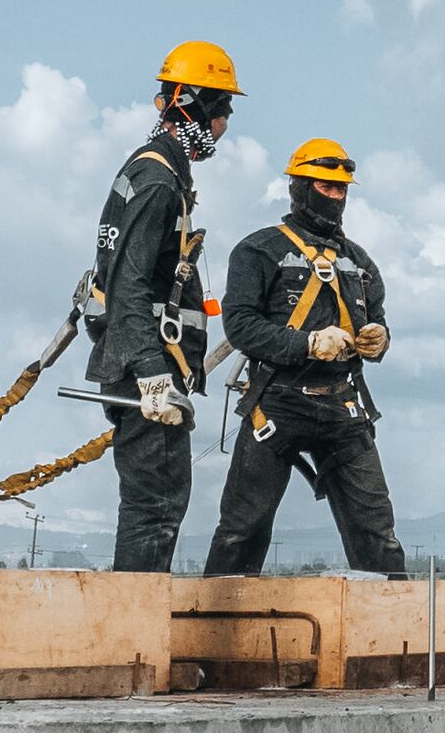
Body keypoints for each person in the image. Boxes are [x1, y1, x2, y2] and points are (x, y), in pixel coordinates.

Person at [205, 138, 405, 577]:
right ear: (300, 186)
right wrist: (307, 344)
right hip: (278, 403)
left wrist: (379, 337)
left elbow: (380, 316)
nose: (335, 197)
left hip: (343, 406)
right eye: (326, 187)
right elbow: (239, 325)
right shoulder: (259, 251)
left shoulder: (359, 262)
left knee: (378, 534)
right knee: (242, 528)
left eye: (341, 190)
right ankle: (208, 634)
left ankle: (395, 633)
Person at [90, 39, 238, 571]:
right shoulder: (157, 181)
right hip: (146, 369)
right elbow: (128, 284)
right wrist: (153, 374)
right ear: (191, 104)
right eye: (220, 109)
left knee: (157, 502)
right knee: (155, 506)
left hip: (143, 363)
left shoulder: (156, 173)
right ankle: (136, 638)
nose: (223, 125)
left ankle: (136, 629)